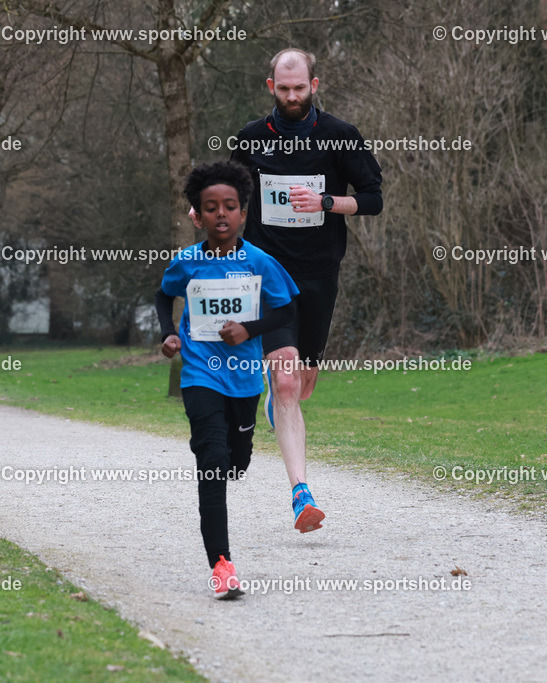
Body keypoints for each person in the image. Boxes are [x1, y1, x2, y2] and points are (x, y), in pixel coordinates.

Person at [225, 48, 384, 532]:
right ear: (270, 87)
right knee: (287, 381)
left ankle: (278, 403)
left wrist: (326, 202)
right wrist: (207, 209)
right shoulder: (251, 138)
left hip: (318, 274)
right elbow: (231, 193)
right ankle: (301, 494)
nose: (292, 97)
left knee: (303, 382)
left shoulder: (340, 136)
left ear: (315, 85)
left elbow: (373, 199)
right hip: (268, 275)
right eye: (283, 88)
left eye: (300, 88)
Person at [157, 161, 299, 598]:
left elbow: (286, 310)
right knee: (212, 460)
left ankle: (229, 451)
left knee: (236, 461)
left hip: (244, 380)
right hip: (200, 374)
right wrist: (167, 334)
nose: (221, 213)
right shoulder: (187, 262)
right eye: (211, 207)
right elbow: (163, 295)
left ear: (243, 213)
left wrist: (249, 330)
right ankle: (221, 565)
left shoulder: (259, 262)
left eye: (230, 206)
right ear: (198, 216)